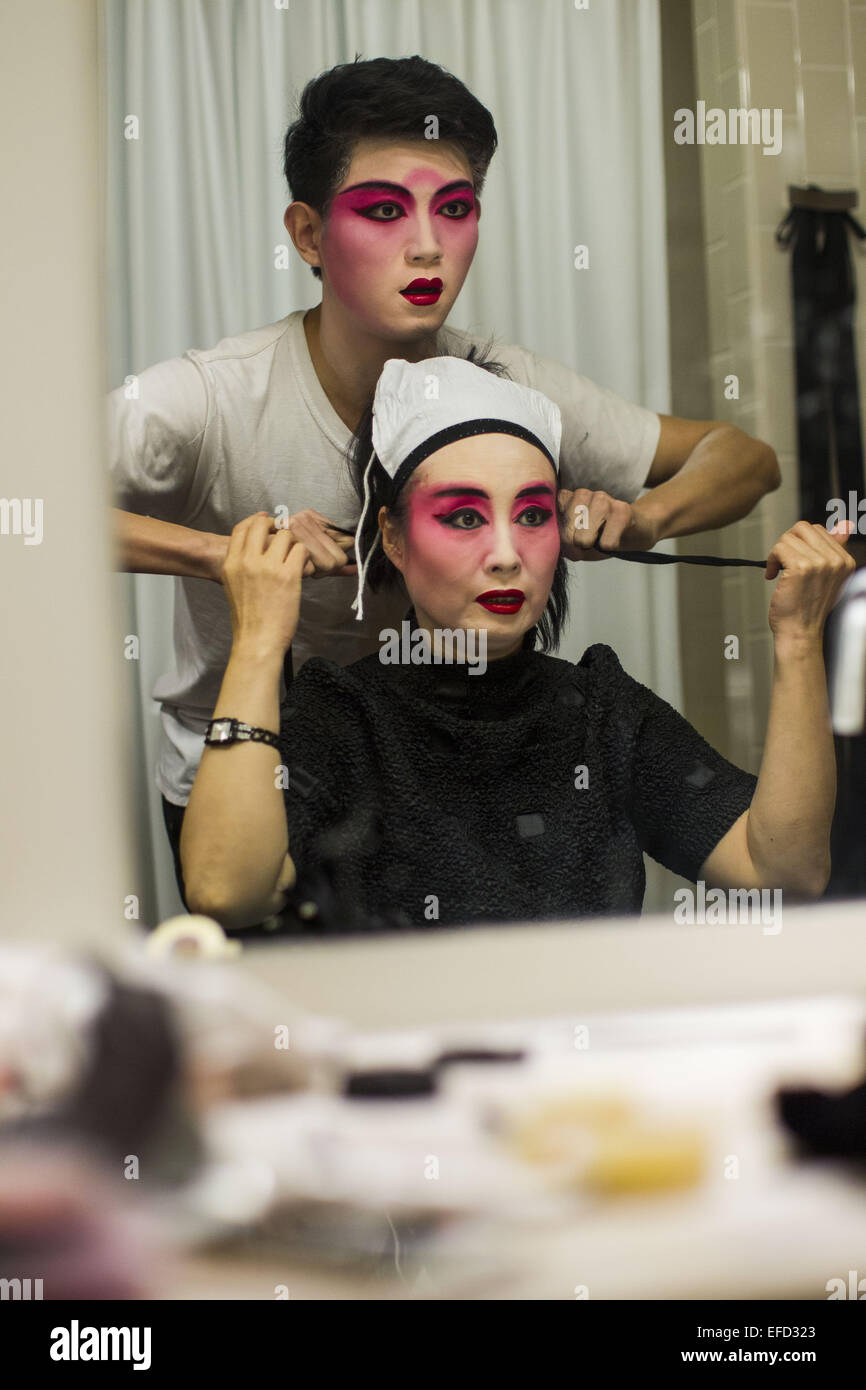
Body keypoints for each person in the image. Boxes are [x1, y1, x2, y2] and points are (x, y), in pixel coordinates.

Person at [107, 55, 781, 898]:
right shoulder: (207, 400)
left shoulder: (507, 387)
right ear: (309, 234)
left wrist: (648, 518)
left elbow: (746, 459)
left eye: (454, 210)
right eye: (385, 212)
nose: (427, 245)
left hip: (435, 762)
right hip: (253, 765)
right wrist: (227, 557)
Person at [178, 352, 853, 935]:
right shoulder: (339, 718)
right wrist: (260, 639)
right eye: (464, 517)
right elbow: (225, 893)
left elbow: (783, 872)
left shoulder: (601, 713)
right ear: (392, 536)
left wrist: (798, 644)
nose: (507, 554)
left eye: (532, 515)